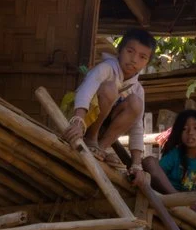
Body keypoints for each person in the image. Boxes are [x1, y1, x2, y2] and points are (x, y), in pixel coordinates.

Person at [63, 28, 156, 161]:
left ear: (147, 62)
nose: (134, 60)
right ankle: (90, 138)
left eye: (142, 57)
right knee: (110, 88)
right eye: (130, 51)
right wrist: (78, 122)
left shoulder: (138, 89)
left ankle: (101, 147)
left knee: (136, 103)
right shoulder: (106, 68)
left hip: (102, 134)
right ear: (120, 50)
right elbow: (86, 90)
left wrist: (136, 164)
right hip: (81, 122)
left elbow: (137, 126)